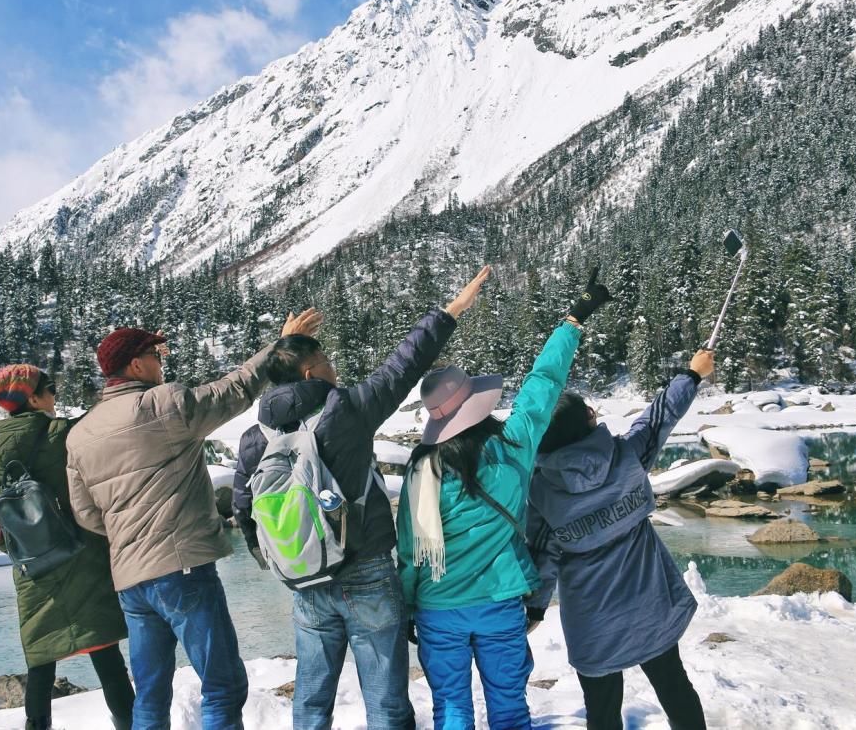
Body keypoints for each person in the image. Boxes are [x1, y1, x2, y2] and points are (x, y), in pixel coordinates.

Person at [233, 266, 494, 730]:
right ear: (312, 371)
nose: (334, 367)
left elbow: (244, 510)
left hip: (304, 580)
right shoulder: (345, 411)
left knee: (311, 703)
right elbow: (404, 364)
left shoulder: (256, 436)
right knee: (386, 702)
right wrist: (452, 310)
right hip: (366, 571)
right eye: (327, 361)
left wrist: (287, 557)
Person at [66, 311, 321, 730]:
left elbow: (87, 515)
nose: (160, 360)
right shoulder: (162, 405)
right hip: (181, 567)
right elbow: (235, 389)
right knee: (222, 685)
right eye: (155, 353)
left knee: (149, 693)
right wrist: (280, 346)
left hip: (131, 582)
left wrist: (129, 534)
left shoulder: (80, 434)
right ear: (135, 365)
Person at [397, 268, 614, 730]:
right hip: (499, 604)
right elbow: (543, 384)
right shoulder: (514, 445)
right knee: (510, 710)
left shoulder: (422, 470)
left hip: (439, 607)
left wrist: (409, 606)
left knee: (451, 709)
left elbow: (412, 554)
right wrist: (573, 320)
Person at [525, 349, 716, 730]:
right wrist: (692, 375)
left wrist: (533, 611)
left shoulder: (541, 492)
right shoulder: (627, 456)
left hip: (591, 619)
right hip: (650, 603)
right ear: (587, 422)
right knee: (674, 685)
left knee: (602, 708)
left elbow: (542, 559)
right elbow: (662, 416)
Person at [0, 364, 135, 730]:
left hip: (34, 568)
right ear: (32, 397)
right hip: (81, 555)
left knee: (40, 661)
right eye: (49, 388)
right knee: (107, 655)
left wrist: (31, 549)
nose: (55, 394)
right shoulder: (62, 433)